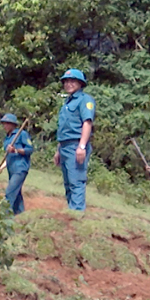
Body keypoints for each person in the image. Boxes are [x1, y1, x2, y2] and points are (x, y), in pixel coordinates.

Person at [53, 68, 95, 211]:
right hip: (64, 146)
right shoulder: (67, 102)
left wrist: (82, 146)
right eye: (66, 81)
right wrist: (58, 150)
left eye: (72, 81)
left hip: (76, 145)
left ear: (80, 83)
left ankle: (77, 214)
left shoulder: (85, 100)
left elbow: (87, 123)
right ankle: (71, 213)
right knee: (68, 183)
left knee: (76, 181)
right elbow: (63, 128)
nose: (69, 84)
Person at [0, 113, 33, 215]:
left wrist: (15, 150)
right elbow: (8, 157)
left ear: (13, 125)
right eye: (4, 124)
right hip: (11, 169)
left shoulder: (22, 134)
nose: (5, 126)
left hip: (20, 168)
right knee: (17, 195)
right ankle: (21, 216)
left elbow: (30, 149)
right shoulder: (7, 138)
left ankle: (4, 217)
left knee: (10, 192)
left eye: (7, 124)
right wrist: (0, 168)